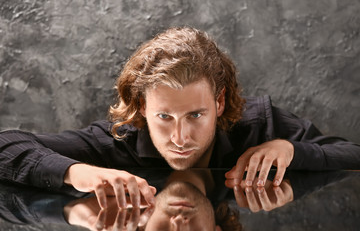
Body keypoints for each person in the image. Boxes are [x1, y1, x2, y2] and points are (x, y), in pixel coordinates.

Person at [0, 26, 359, 210]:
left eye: (195, 115)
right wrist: (81, 173)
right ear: (142, 107)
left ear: (219, 103)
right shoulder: (119, 140)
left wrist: (290, 148)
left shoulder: (259, 124)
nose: (180, 136)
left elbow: (352, 153)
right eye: (164, 117)